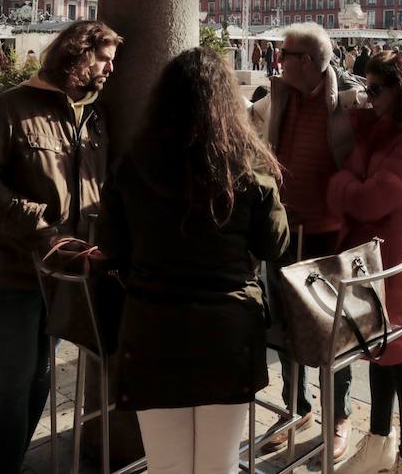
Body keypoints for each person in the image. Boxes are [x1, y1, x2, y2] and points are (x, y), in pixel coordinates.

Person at [101, 48, 289, 474]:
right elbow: (275, 245)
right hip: (227, 329)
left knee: (166, 467)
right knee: (218, 465)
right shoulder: (248, 168)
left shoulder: (131, 166)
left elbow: (111, 246)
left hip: (152, 327)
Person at [0, 20, 120, 474]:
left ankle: (15, 458)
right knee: (13, 380)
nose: (111, 68)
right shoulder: (10, 108)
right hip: (16, 269)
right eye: (104, 58)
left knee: (43, 376)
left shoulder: (97, 115)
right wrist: (37, 224)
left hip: (71, 273)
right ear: (79, 55)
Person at [249, 23, 363, 458]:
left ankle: (340, 416)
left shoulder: (349, 103)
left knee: (335, 330)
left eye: (287, 55)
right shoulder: (276, 97)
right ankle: (296, 409)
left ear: (311, 62)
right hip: (283, 233)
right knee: (286, 328)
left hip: (328, 234)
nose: (278, 60)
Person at [330, 51, 402, 474]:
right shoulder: (386, 131)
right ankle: (379, 441)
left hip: (399, 258)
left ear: (400, 87)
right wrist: (361, 126)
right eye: (367, 88)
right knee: (380, 352)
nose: (369, 97)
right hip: (377, 254)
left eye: (377, 89)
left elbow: (371, 198)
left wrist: (342, 184)